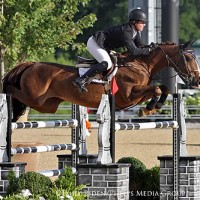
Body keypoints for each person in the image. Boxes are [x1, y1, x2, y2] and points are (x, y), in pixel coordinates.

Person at [73, 8, 157, 92]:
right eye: (142, 22)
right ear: (134, 22)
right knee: (106, 64)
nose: (144, 25)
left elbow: (140, 46)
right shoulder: (126, 32)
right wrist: (148, 50)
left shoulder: (135, 32)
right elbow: (133, 51)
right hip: (95, 43)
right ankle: (81, 80)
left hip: (104, 46)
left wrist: (150, 47)